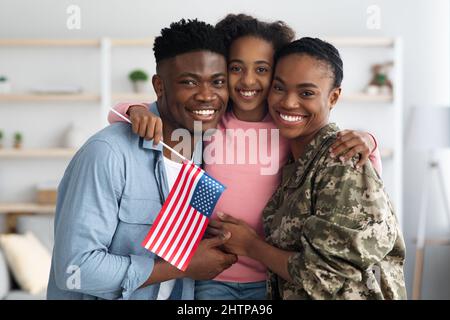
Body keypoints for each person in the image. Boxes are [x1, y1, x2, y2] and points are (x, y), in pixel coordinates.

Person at [108, 14, 382, 300]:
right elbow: (122, 112)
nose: (248, 80)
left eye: (262, 69)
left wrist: (370, 141)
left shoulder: (286, 128)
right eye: (236, 68)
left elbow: (358, 162)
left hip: (270, 276)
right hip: (212, 272)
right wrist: (136, 110)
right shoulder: (209, 120)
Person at [46, 19, 237, 300]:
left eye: (217, 82)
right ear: (160, 86)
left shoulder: (207, 158)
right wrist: (181, 266)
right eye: (189, 82)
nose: (207, 95)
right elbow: (76, 269)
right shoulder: (107, 153)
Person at [211, 37, 407, 300]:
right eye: (279, 88)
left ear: (333, 96)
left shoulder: (342, 163)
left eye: (306, 93)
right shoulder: (297, 160)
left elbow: (322, 275)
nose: (289, 103)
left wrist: (250, 245)